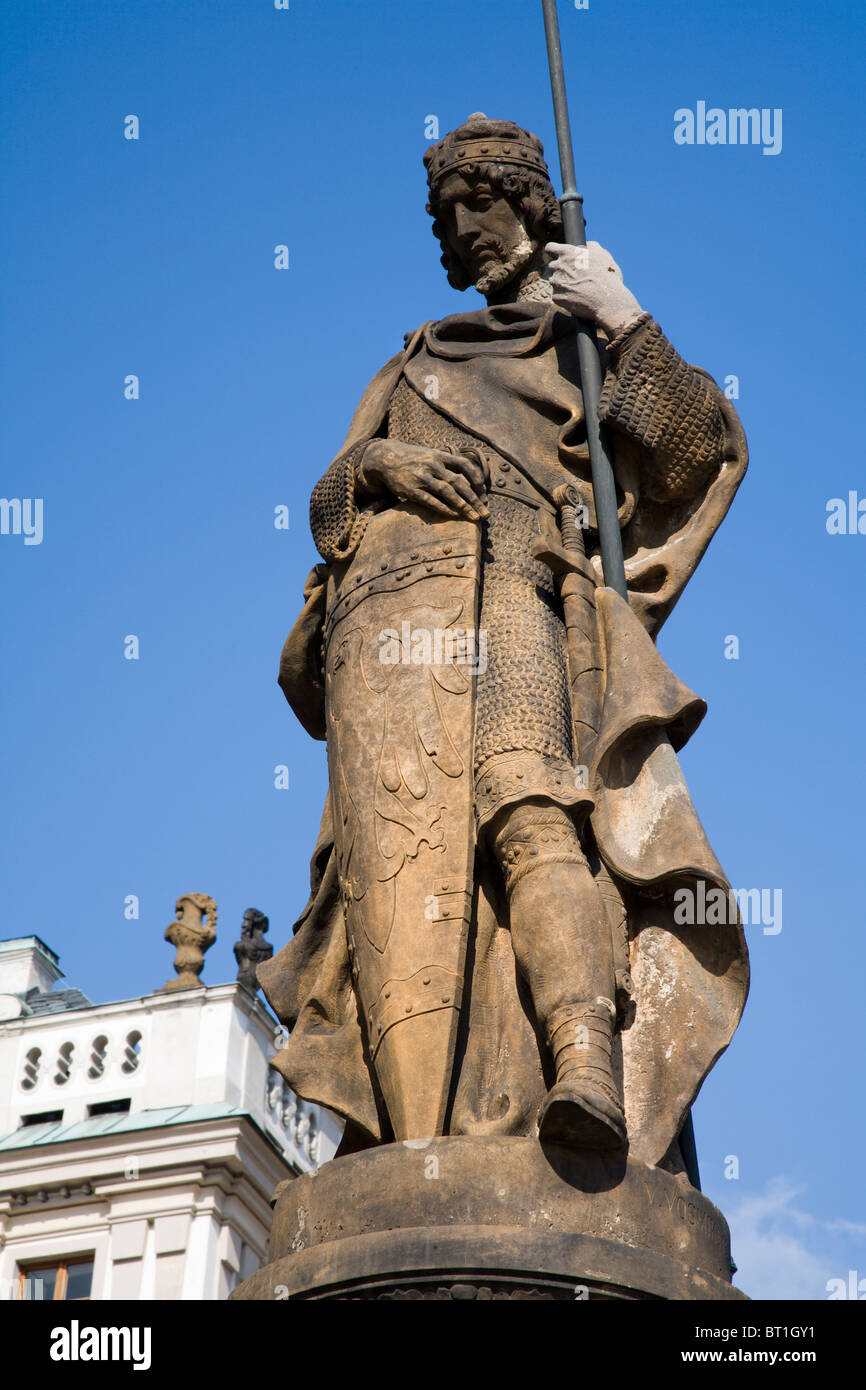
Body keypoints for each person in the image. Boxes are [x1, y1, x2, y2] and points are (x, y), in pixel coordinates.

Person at [260, 115, 749, 1167]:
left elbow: (688, 452)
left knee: (534, 821)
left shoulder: (582, 343)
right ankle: (407, 1121)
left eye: (471, 207)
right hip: (400, 646)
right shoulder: (415, 360)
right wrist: (377, 473)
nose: (455, 235)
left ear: (527, 202)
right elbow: (327, 499)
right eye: (439, 218)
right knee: (394, 879)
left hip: (525, 603)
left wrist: (621, 317)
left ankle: (583, 1062)